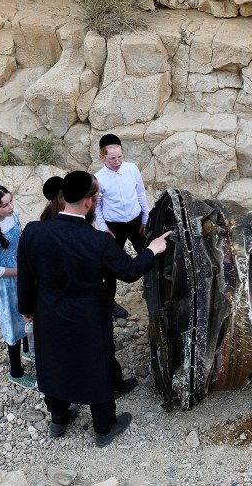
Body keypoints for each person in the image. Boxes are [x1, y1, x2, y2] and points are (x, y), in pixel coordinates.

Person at [17, 171, 171, 447]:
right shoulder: (98, 241)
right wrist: (153, 249)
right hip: (87, 314)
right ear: (89, 202)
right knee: (95, 365)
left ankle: (59, 417)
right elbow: (131, 270)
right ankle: (104, 428)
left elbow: (26, 276)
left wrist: (26, 308)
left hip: (48, 310)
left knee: (52, 361)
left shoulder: (33, 231)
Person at [0, 183, 36, 389]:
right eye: (4, 205)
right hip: (8, 283)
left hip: (23, 273)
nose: (11, 207)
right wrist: (23, 271)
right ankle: (16, 371)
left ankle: (28, 350)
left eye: (11, 201)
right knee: (13, 322)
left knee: (29, 310)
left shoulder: (14, 214)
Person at [94, 134, 151, 319]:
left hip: (136, 222)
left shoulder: (132, 168)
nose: (117, 161)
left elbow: (140, 192)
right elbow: (97, 206)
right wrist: (103, 227)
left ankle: (153, 288)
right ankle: (109, 302)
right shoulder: (98, 178)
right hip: (113, 226)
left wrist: (145, 216)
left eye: (120, 157)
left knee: (148, 254)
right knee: (108, 266)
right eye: (112, 158)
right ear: (102, 157)